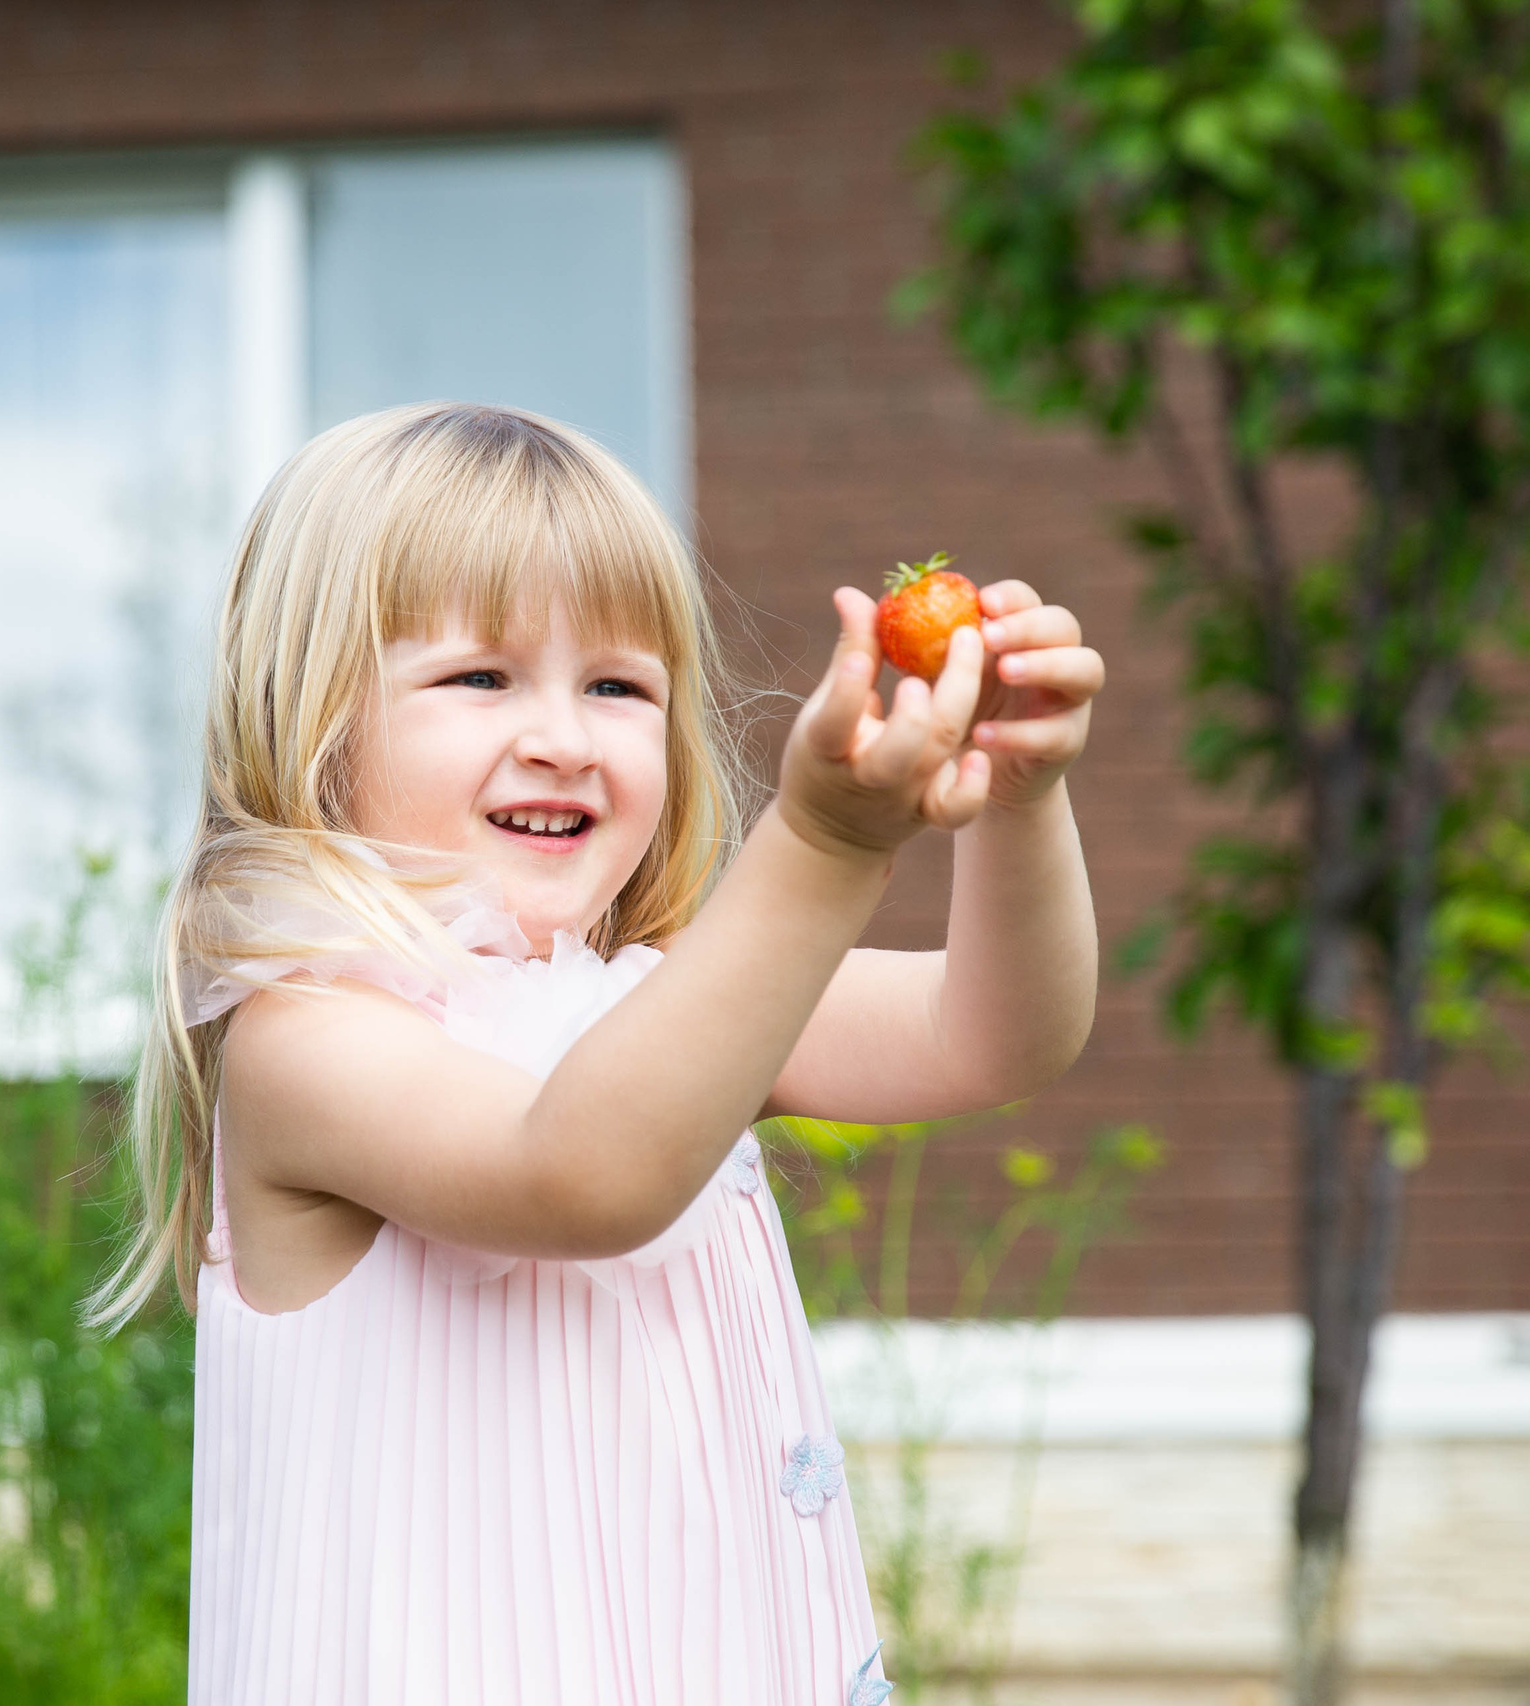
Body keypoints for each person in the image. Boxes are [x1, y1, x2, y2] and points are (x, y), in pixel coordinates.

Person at [85, 401, 1104, 1704]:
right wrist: (828, 846)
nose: (565, 735)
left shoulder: (664, 1001)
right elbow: (585, 1173)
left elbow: (994, 1035)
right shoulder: (307, 1038)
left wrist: (1022, 796)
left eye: (618, 686)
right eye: (480, 676)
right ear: (314, 719)